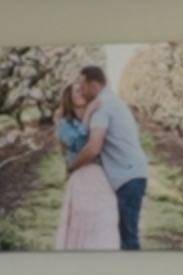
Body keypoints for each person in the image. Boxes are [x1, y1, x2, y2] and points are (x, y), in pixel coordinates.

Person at [66, 65, 149, 250]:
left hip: (128, 177)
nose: (80, 89)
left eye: (82, 84)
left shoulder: (102, 106)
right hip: (132, 173)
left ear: (94, 84)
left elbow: (94, 147)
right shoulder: (112, 101)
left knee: (127, 239)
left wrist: (72, 166)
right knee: (121, 236)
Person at [54, 79, 120, 251]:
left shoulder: (98, 117)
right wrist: (88, 114)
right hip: (82, 177)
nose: (82, 92)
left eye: (83, 89)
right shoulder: (64, 123)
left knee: (106, 217)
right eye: (77, 90)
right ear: (69, 97)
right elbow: (77, 143)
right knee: (84, 224)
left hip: (101, 176)